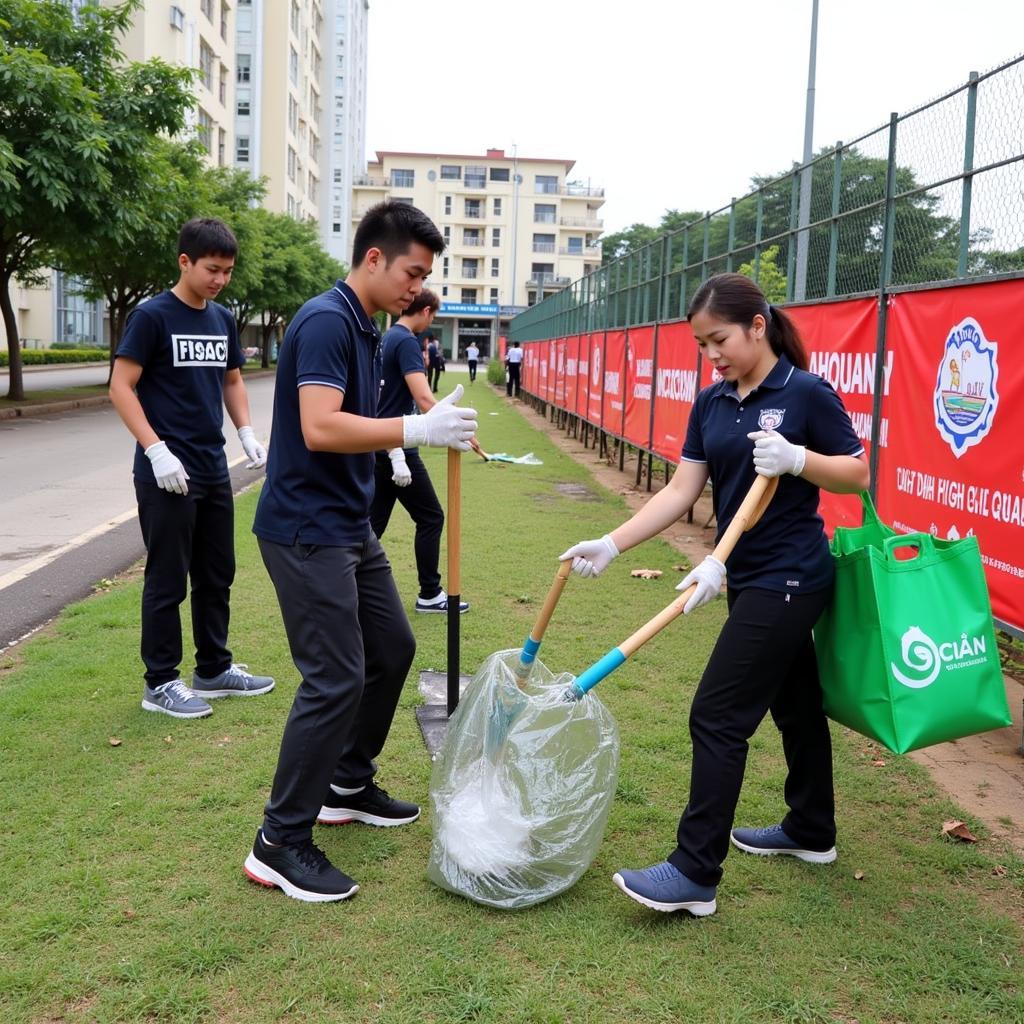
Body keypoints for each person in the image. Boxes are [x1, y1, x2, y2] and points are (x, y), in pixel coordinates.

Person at [559, 272, 869, 917]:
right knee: (796, 705)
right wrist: (613, 544)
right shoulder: (712, 401)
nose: (713, 355)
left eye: (720, 339)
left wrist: (798, 459)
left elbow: (858, 473)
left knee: (717, 716)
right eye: (702, 345)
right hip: (741, 571)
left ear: (758, 325)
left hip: (790, 576)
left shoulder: (805, 393)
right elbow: (680, 491)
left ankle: (695, 873)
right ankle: (812, 830)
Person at [244, 201, 477, 903]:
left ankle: (346, 780)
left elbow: (356, 420)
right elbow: (318, 426)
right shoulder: (323, 320)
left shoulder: (367, 328)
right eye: (412, 272)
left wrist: (409, 435)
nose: (417, 287)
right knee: (334, 677)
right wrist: (415, 430)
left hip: (349, 524)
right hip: (305, 528)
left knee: (395, 648)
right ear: (373, 257)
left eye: (425, 276)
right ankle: (279, 842)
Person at [110, 217, 273, 720]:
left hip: (210, 467)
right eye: (211, 269)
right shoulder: (151, 316)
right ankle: (160, 682)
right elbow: (120, 386)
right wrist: (155, 449)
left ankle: (214, 669)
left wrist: (245, 430)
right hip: (166, 473)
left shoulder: (222, 319)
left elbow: (232, 381)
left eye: (227, 271)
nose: (220, 279)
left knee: (216, 572)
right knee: (166, 578)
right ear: (185, 262)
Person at [371, 287, 469, 615]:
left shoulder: (386, 337)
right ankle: (430, 592)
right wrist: (455, 424)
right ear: (425, 311)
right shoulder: (407, 341)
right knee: (430, 517)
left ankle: (343, 586)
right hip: (398, 444)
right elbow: (425, 399)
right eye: (434, 316)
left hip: (380, 443)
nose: (432, 321)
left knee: (371, 526)